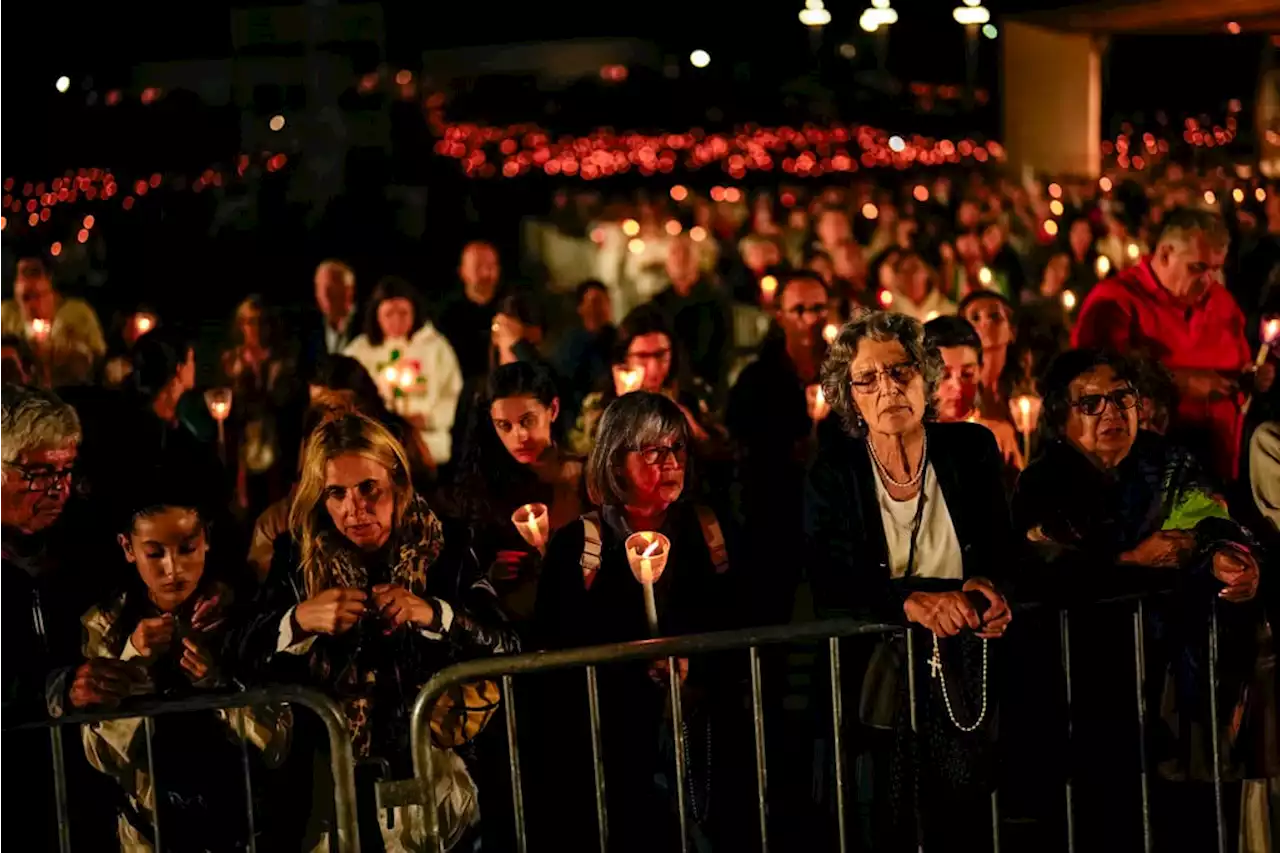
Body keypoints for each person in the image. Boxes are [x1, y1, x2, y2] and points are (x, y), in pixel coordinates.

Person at [1013, 349, 1267, 852]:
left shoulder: (1167, 462)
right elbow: (1045, 564)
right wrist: (1129, 560)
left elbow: (1212, 519)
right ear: (1062, 416)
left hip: (1179, 683)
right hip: (1086, 690)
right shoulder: (1043, 481)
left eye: (1122, 397)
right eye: (1092, 403)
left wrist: (1220, 553)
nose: (1111, 413)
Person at [232, 411, 517, 851]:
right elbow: (238, 651)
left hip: (433, 775)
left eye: (369, 489)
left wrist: (433, 614)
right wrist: (299, 619)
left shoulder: (446, 545)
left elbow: (507, 644)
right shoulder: (297, 556)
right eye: (336, 493)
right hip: (329, 785)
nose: (355, 508)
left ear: (397, 483)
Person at [804, 311, 1013, 852]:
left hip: (967, 674)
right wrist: (910, 601)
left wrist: (990, 587)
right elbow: (831, 581)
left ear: (925, 376)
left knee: (967, 823)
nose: (888, 389)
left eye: (900, 371)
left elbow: (1000, 550)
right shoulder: (835, 471)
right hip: (881, 683)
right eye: (867, 379)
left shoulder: (971, 449)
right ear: (848, 396)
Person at [535, 391, 745, 851]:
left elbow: (739, 622)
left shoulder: (710, 530)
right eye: (653, 451)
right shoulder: (580, 546)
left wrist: (696, 665)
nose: (670, 462)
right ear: (615, 462)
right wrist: (633, 665)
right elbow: (558, 653)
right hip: (613, 752)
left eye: (677, 448)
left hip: (700, 737)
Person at [81, 469, 292, 852]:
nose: (172, 568)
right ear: (128, 549)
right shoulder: (105, 625)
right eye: (154, 553)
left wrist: (219, 686)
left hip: (241, 827)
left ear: (207, 541)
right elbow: (100, 755)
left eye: (186, 549)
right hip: (150, 832)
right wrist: (131, 662)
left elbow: (277, 742)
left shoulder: (240, 616)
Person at [0, 385, 144, 849]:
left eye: (65, 470)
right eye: (38, 473)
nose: (58, 488)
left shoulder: (86, 543)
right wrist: (53, 691)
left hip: (85, 793)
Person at [1073, 207, 1263, 479]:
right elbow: (1094, 382)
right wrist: (1179, 382)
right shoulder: (1116, 301)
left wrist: (1254, 376)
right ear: (1165, 254)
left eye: (1216, 269)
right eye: (1197, 268)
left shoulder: (1220, 302)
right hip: (1148, 473)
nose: (1208, 281)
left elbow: (1239, 361)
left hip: (1220, 465)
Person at [727, 271, 830, 623]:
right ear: (780, 314)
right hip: (775, 524)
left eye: (818, 309)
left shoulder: (846, 374)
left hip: (835, 525)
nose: (809, 320)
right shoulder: (756, 379)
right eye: (798, 309)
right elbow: (741, 447)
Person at [451, 361, 584, 624]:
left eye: (527, 421)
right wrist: (492, 576)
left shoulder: (586, 475)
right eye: (504, 425)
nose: (519, 436)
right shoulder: (490, 487)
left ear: (553, 410)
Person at [345, 276, 464, 465]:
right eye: (389, 314)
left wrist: (428, 419)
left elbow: (451, 392)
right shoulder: (359, 351)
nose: (396, 321)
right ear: (376, 314)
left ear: (414, 312)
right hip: (376, 445)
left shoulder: (435, 347)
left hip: (428, 444)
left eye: (403, 313)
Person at [924, 315, 1022, 472]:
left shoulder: (997, 436)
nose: (957, 386)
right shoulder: (912, 440)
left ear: (980, 370)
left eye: (967, 374)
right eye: (944, 376)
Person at [0, 254, 106, 385]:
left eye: (37, 296)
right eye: (26, 298)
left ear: (52, 292)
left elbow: (99, 357)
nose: (32, 305)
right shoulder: (6, 315)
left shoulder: (78, 314)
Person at [650, 233, 733, 395]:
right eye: (675, 253)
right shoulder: (659, 303)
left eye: (686, 253)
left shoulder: (715, 300)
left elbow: (723, 350)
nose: (680, 259)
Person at [438, 241, 504, 380]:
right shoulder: (447, 315)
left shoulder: (511, 307)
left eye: (491, 266)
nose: (486, 273)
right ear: (463, 271)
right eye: (478, 267)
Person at [552, 279, 616, 420]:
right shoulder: (571, 346)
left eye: (604, 302)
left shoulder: (620, 340)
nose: (599, 308)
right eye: (594, 302)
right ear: (581, 308)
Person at [959, 291, 1025, 425]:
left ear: (1012, 331)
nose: (986, 322)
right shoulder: (957, 390)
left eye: (995, 316)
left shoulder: (1026, 388)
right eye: (975, 318)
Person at [309, 259, 360, 361]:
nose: (325, 296)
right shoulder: (309, 329)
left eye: (331, 288)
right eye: (319, 288)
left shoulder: (368, 324)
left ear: (348, 290)